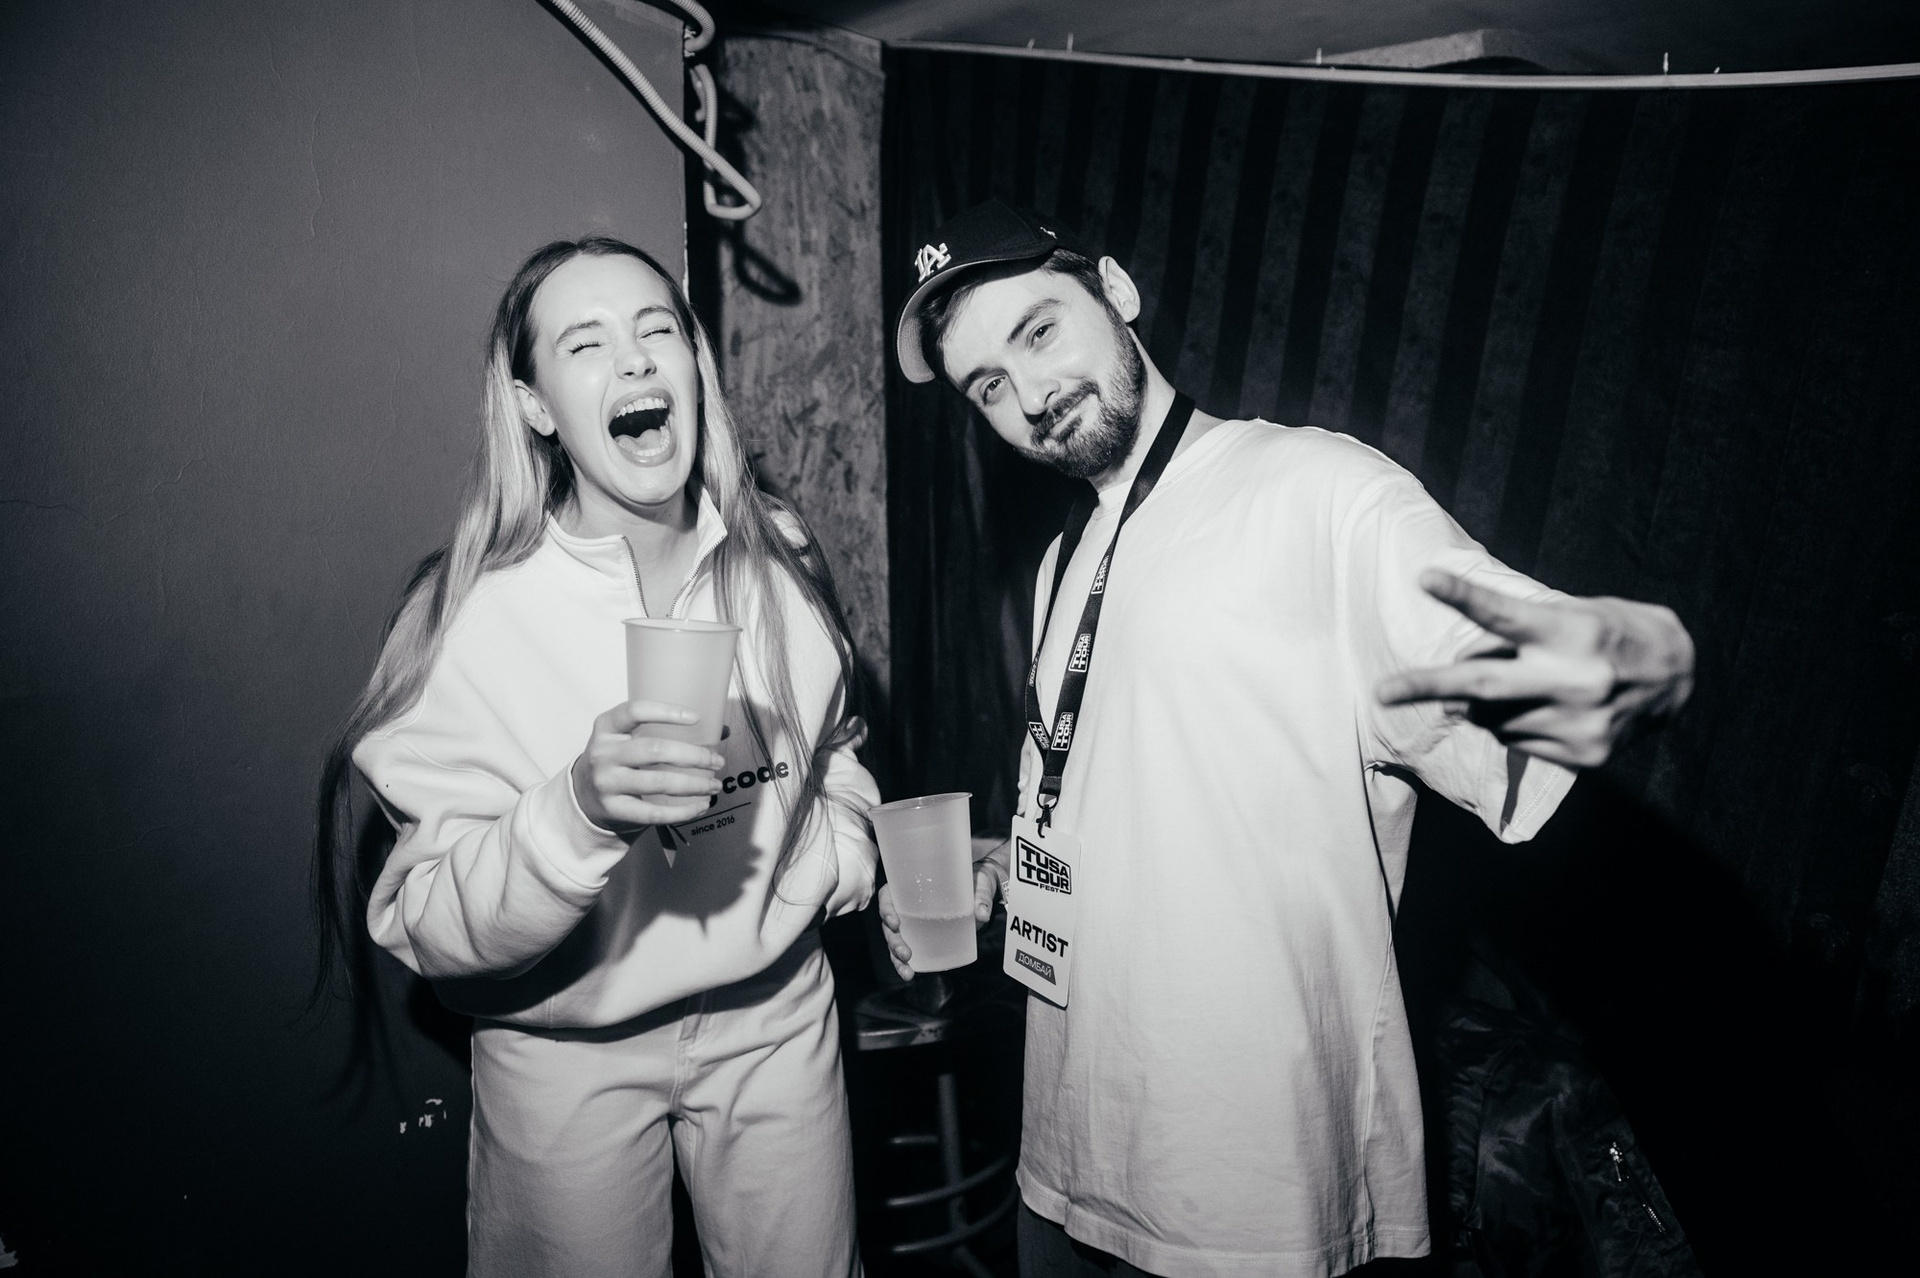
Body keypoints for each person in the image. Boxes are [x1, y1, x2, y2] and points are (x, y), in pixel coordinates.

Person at [878, 201, 1695, 1278]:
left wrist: (1595, 661)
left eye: (1038, 331)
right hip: (1067, 1157)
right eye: (987, 385)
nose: (1028, 396)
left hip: (1249, 1193)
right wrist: (998, 876)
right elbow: (1102, 802)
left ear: (1116, 291)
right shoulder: (1060, 561)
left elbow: (1542, 671)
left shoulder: (1320, 494)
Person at [312, 236, 877, 1278]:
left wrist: (843, 847)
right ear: (535, 407)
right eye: (586, 343)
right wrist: (576, 810)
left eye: (658, 328)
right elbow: (430, 921)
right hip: (565, 1053)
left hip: (774, 1017)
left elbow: (836, 740)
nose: (635, 358)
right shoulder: (464, 617)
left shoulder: (779, 558)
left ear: (693, 366)